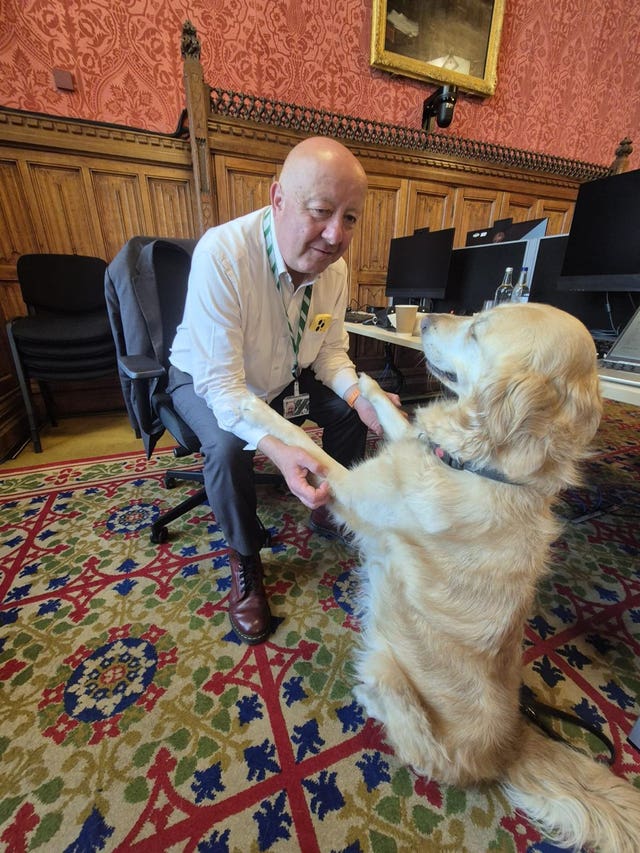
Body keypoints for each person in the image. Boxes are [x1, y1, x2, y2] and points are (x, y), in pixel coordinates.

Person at [168, 136, 398, 645]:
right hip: (206, 379)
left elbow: (328, 353)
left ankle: (327, 506)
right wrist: (280, 448)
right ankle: (245, 563)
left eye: (351, 218)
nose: (336, 235)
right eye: (320, 211)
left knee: (343, 410)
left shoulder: (334, 272)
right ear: (278, 199)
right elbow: (224, 391)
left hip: (283, 376)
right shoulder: (224, 254)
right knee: (228, 447)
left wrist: (362, 399)